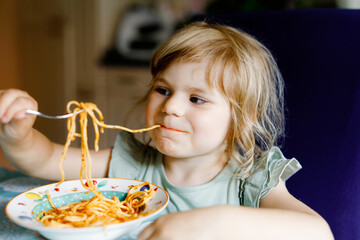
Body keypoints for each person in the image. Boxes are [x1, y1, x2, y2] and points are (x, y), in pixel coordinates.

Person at [0, 22, 333, 239]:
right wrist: (17, 135)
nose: (171, 106)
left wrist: (212, 223)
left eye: (197, 99)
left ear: (243, 118)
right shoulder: (135, 164)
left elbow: (318, 232)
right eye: (162, 90)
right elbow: (44, 162)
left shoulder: (251, 179)